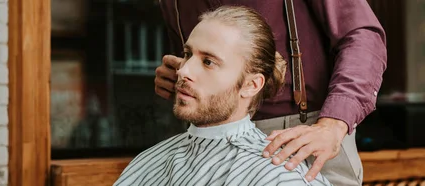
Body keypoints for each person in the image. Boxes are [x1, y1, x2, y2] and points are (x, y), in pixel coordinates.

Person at [154, 1, 387, 185]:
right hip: (210, 141)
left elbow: (362, 36)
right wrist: (183, 74)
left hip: (304, 135)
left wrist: (334, 124)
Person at [114, 6, 332, 186]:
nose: (183, 70)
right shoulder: (148, 162)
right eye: (187, 55)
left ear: (251, 85)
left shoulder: (280, 177)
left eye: (208, 62)